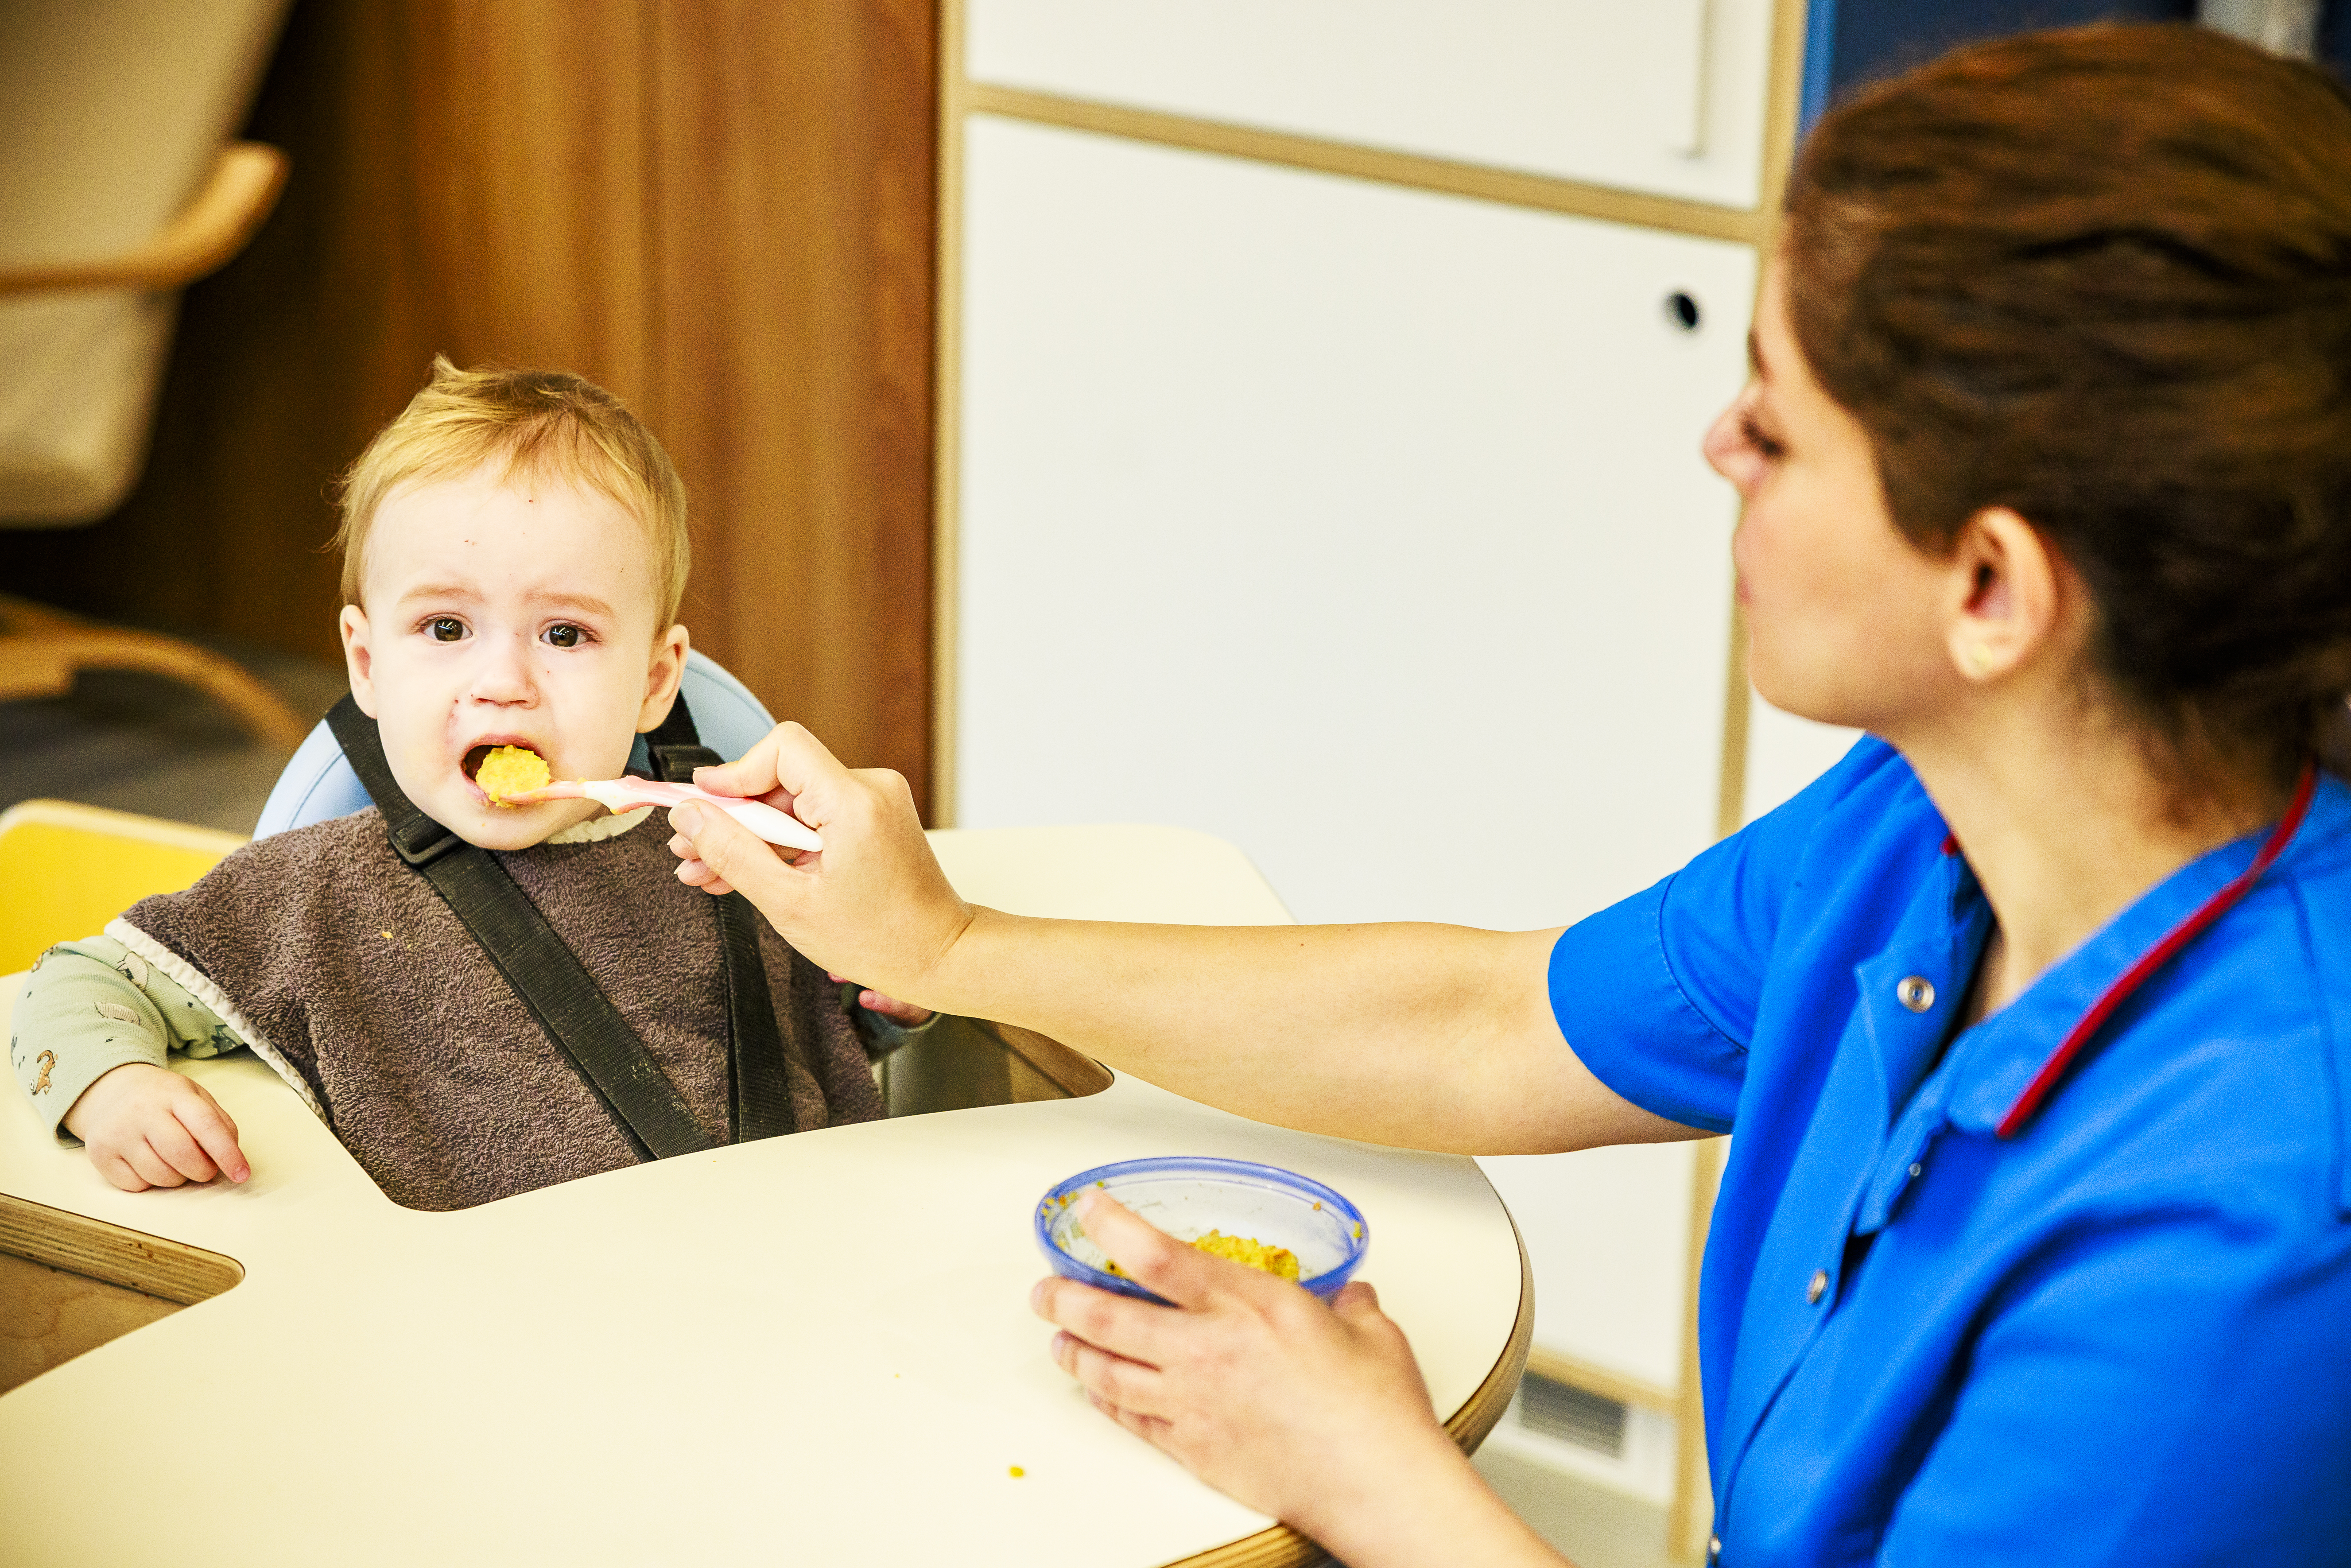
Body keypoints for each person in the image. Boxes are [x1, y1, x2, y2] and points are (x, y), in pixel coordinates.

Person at [656, 26, 2351, 1568]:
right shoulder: (1918, 832)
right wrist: (946, 939)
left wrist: (1365, 1469)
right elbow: (1486, 1021)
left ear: (1989, 588)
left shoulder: (2248, 1233)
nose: (1712, 447)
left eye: (1773, 421)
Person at [9, 360, 933, 1211]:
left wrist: (886, 993)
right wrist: (113, 1090)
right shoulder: (311, 898)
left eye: (564, 635)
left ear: (656, 682)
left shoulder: (733, 856)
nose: (504, 682)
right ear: (367, 664)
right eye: (447, 628)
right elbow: (69, 985)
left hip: (795, 1283)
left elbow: (823, 1041)